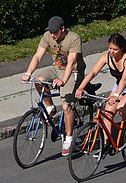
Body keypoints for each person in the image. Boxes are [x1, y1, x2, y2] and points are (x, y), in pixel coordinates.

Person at [21, 16, 86, 156]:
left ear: (62, 29)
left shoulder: (74, 39)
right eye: (50, 32)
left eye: (55, 32)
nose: (52, 35)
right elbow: (38, 56)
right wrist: (28, 73)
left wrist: (63, 80)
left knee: (66, 106)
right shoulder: (47, 36)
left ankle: (68, 138)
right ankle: (50, 107)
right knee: (38, 81)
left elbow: (71, 62)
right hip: (56, 68)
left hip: (73, 72)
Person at [75, 33, 126, 147]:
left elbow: (124, 79)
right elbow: (93, 73)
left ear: (122, 48)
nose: (112, 52)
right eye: (110, 48)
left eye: (115, 49)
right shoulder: (106, 57)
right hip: (119, 87)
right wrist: (81, 88)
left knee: (121, 109)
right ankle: (106, 144)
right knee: (107, 113)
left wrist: (116, 95)